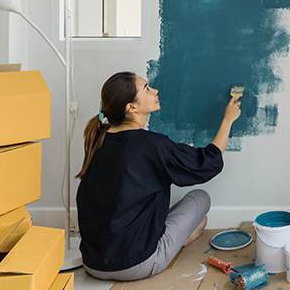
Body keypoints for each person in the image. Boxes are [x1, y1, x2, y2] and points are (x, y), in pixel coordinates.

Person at [75, 71, 241, 280]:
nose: (155, 90)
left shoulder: (98, 140)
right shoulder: (151, 145)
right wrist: (228, 120)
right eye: (146, 88)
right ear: (131, 107)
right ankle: (182, 240)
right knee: (201, 198)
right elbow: (207, 163)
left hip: (92, 263)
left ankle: (179, 238)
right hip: (136, 264)